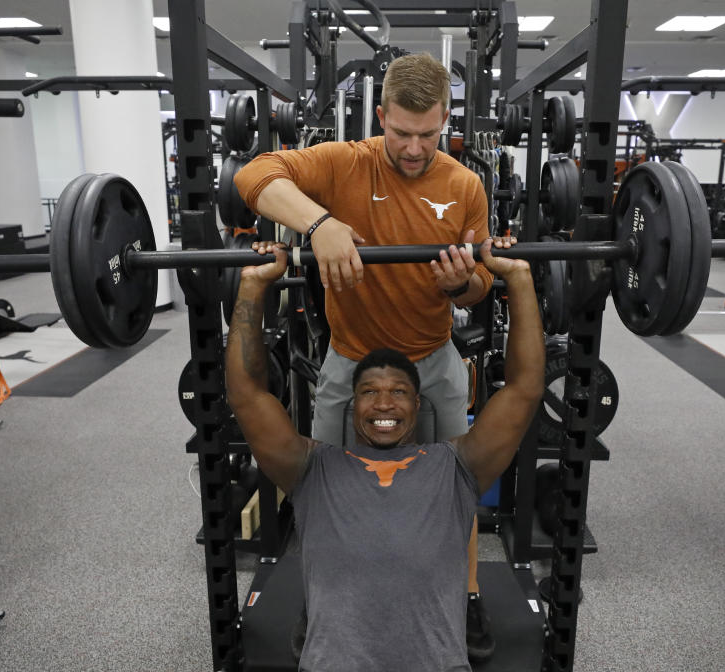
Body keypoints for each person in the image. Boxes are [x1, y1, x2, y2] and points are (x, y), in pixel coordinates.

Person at [234, 51, 499, 658]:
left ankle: (469, 595)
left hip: (433, 359)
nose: (413, 148)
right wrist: (320, 223)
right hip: (349, 360)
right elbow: (254, 177)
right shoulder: (340, 164)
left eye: (428, 134)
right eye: (401, 133)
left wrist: (459, 284)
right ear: (380, 116)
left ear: (446, 119)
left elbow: (483, 282)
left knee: (455, 489)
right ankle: (319, 598)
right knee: (320, 486)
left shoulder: (464, 185)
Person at [225, 238, 545, 672]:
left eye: (398, 393)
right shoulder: (312, 469)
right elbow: (247, 393)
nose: (383, 404)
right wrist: (252, 284)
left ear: (418, 405)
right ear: (351, 405)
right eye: (368, 393)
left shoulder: (455, 467)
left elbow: (524, 388)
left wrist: (520, 277)